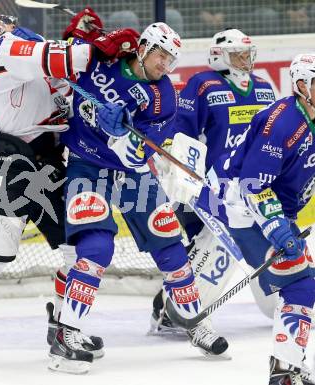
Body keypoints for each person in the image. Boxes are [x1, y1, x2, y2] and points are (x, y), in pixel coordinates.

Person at [0, 12, 140, 362]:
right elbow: (67, 59)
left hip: (49, 163)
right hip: (13, 167)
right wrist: (93, 44)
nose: (13, 25)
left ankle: (64, 328)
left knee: (76, 248)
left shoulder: (20, 57)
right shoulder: (4, 51)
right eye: (6, 24)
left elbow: (67, 78)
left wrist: (80, 36)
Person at [48, 22, 228, 375]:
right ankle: (65, 334)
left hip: (133, 173)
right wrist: (77, 34)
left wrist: (117, 134)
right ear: (143, 48)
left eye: (172, 60)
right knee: (96, 249)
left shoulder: (163, 97)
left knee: (171, 248)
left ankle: (194, 324)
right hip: (87, 168)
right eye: (162, 55)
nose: (166, 65)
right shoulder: (103, 57)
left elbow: (137, 156)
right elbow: (60, 56)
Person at [173, 52, 315, 384]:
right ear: (301, 85)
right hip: (243, 212)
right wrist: (279, 229)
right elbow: (254, 186)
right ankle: (284, 369)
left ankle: (287, 365)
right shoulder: (282, 123)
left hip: (273, 212)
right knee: (300, 283)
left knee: (299, 286)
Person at [150, 28, 277, 334]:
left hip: (250, 192)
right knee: (210, 246)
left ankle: (168, 305)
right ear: (220, 56)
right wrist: (184, 180)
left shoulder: (263, 88)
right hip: (207, 191)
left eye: (248, 54)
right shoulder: (203, 84)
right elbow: (182, 137)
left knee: (260, 251)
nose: (245, 61)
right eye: (238, 55)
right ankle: (175, 310)